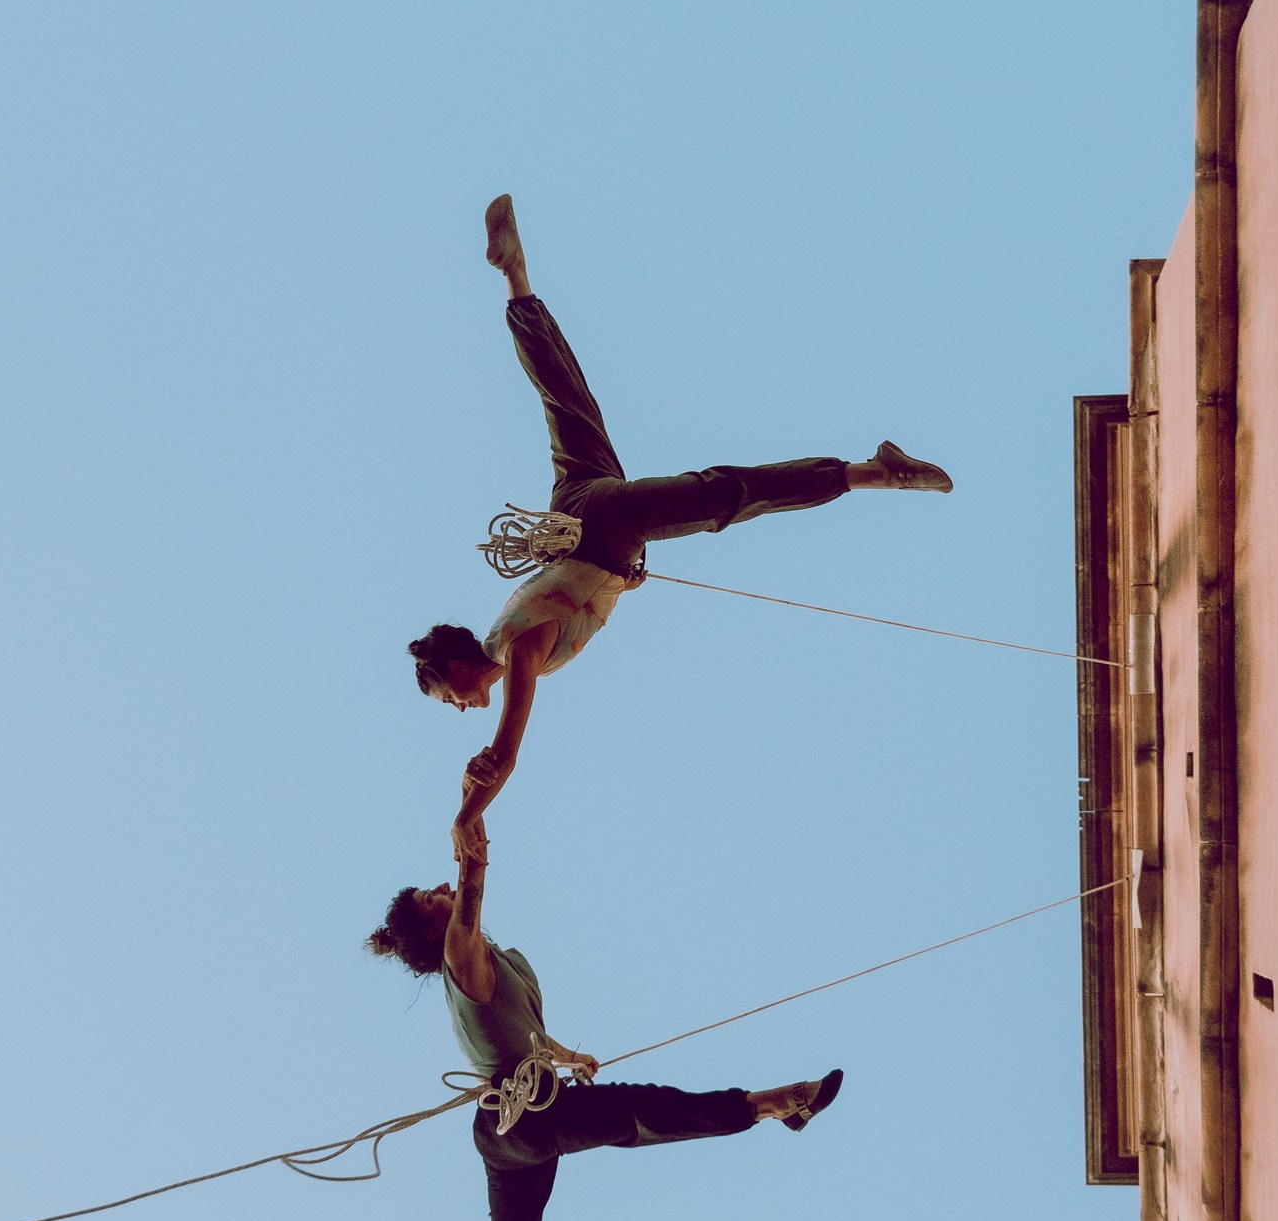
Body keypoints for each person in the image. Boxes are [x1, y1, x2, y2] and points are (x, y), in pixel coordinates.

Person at [409, 195, 954, 834]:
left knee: (725, 495)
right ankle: (514, 277)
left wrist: (467, 816)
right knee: (566, 399)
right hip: (586, 511)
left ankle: (871, 472)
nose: (464, 709)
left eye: (452, 699)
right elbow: (581, 595)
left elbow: (504, 753)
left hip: (607, 524)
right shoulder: (508, 631)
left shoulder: (518, 650)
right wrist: (623, 580)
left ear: (458, 670)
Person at [368, 817, 843, 1221]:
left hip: (508, 1133)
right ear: (437, 926)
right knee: (643, 1110)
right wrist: (471, 827)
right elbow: (474, 882)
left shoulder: (486, 963)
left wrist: (569, 1057)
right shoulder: (462, 953)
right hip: (529, 1115)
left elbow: (523, 1031)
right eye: (436, 899)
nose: (444, 889)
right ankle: (780, 1104)